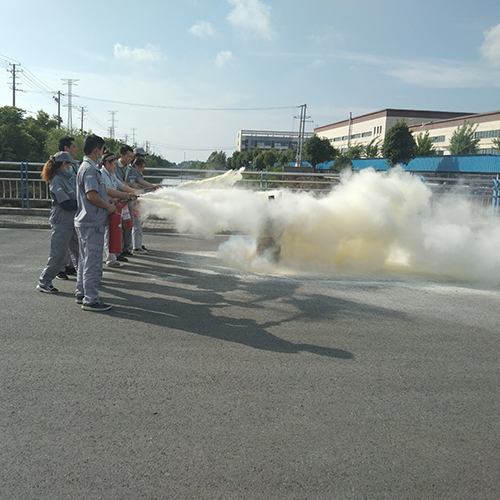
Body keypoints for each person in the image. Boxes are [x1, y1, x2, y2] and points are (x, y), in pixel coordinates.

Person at [74, 135, 135, 312]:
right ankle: (91, 299)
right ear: (96, 150)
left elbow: (103, 189)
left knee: (84, 260)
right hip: (92, 222)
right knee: (92, 262)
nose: (102, 154)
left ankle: (81, 292)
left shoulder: (86, 168)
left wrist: (126, 195)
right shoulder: (91, 170)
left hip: (86, 222)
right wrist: (108, 206)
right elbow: (92, 195)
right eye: (101, 150)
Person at [36, 152, 79, 294]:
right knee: (58, 254)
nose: (72, 166)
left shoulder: (70, 177)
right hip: (61, 221)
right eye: (70, 163)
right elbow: (66, 203)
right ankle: (44, 281)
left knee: (79, 251)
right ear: (64, 164)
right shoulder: (56, 180)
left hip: (72, 220)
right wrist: (84, 203)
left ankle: (84, 279)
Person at [100, 152, 142, 267]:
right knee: (105, 234)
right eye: (113, 164)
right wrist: (121, 196)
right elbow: (103, 192)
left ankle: (113, 257)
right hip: (103, 208)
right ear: (107, 163)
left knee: (113, 232)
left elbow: (123, 187)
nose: (115, 166)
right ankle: (109, 259)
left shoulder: (112, 174)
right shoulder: (101, 174)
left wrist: (137, 193)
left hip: (113, 208)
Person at [56, 135, 80, 280]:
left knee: (74, 241)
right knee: (62, 243)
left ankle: (71, 266)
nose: (76, 149)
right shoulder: (58, 167)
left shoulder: (74, 165)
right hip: (64, 210)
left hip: (74, 209)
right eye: (74, 146)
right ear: (66, 149)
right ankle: (60, 268)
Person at [115, 145, 136, 260]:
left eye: (131, 157)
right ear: (121, 155)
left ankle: (126, 248)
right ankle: (119, 250)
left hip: (129, 201)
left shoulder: (131, 168)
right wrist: (132, 187)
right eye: (128, 157)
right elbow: (119, 183)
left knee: (128, 224)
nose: (130, 159)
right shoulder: (114, 167)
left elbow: (137, 180)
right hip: (118, 200)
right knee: (119, 225)